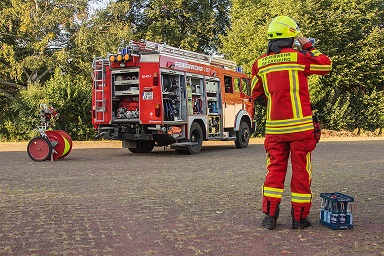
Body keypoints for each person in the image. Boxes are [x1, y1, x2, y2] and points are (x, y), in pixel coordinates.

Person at [251, 16, 332, 230]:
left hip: (275, 129)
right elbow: (326, 65)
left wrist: (274, 99)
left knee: (274, 171)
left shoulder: (260, 64)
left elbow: (254, 93)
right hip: (300, 128)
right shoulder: (299, 57)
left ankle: (270, 218)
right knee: (301, 173)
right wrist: (307, 44)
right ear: (291, 37)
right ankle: (299, 219)